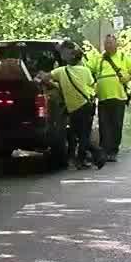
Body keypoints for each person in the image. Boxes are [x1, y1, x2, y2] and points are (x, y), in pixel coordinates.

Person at [44, 41, 103, 169]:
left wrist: (57, 86)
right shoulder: (85, 71)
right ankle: (86, 159)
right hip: (86, 105)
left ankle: (94, 156)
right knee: (83, 135)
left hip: (74, 109)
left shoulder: (61, 71)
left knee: (79, 135)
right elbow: (92, 86)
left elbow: (45, 78)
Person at [87, 33, 131, 162]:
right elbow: (87, 69)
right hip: (103, 98)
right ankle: (104, 150)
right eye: (106, 43)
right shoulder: (98, 58)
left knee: (116, 125)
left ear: (116, 44)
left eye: (110, 42)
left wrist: (126, 78)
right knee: (104, 126)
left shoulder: (123, 57)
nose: (108, 45)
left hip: (119, 97)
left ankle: (113, 150)